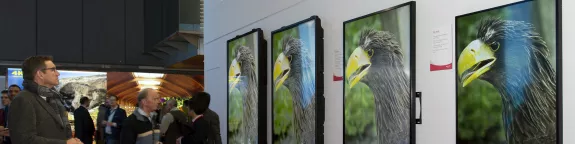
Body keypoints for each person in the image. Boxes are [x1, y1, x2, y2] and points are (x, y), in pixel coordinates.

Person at [8, 56, 82, 144]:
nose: (57, 73)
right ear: (40, 74)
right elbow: (23, 140)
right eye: (53, 70)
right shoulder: (23, 99)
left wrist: (71, 141)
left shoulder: (54, 98)